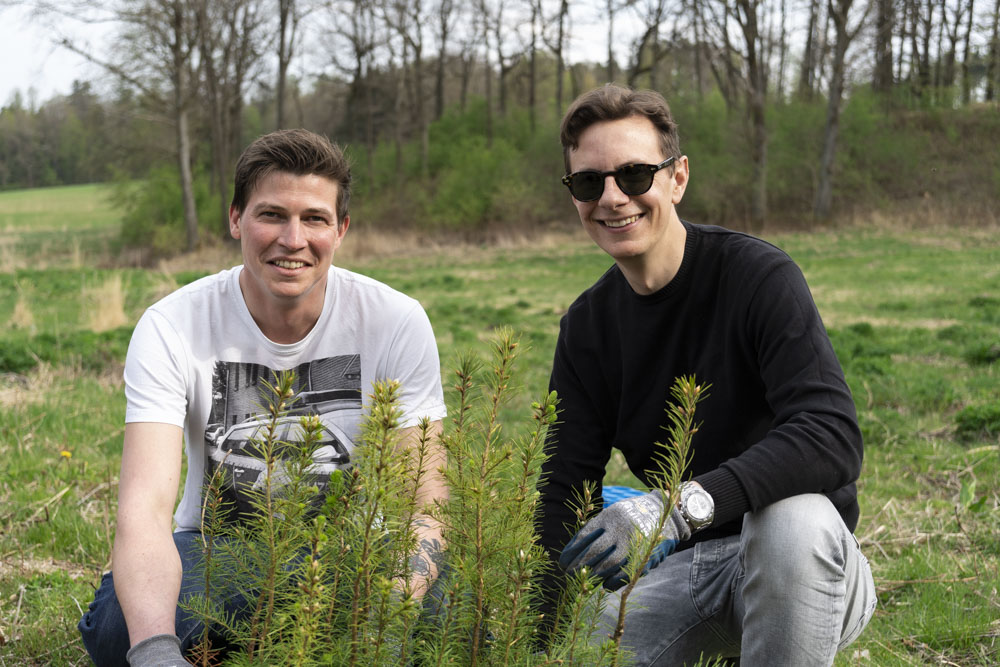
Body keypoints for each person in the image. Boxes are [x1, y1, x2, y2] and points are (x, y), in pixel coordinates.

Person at [78, 129, 448, 666]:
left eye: (315, 219)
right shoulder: (173, 325)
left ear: (341, 229)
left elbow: (426, 504)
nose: (292, 239)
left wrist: (387, 628)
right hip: (215, 551)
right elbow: (145, 509)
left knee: (455, 617)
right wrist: (156, 648)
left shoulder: (395, 321)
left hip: (349, 551)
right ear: (235, 219)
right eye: (271, 214)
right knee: (122, 634)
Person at [537, 84, 877, 665]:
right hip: (686, 569)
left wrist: (676, 507)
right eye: (590, 182)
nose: (614, 198)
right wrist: (531, 634)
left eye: (636, 174)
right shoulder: (588, 329)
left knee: (790, 521)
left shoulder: (757, 275)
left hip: (808, 562)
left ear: (678, 178)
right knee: (577, 657)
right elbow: (564, 492)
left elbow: (831, 434)